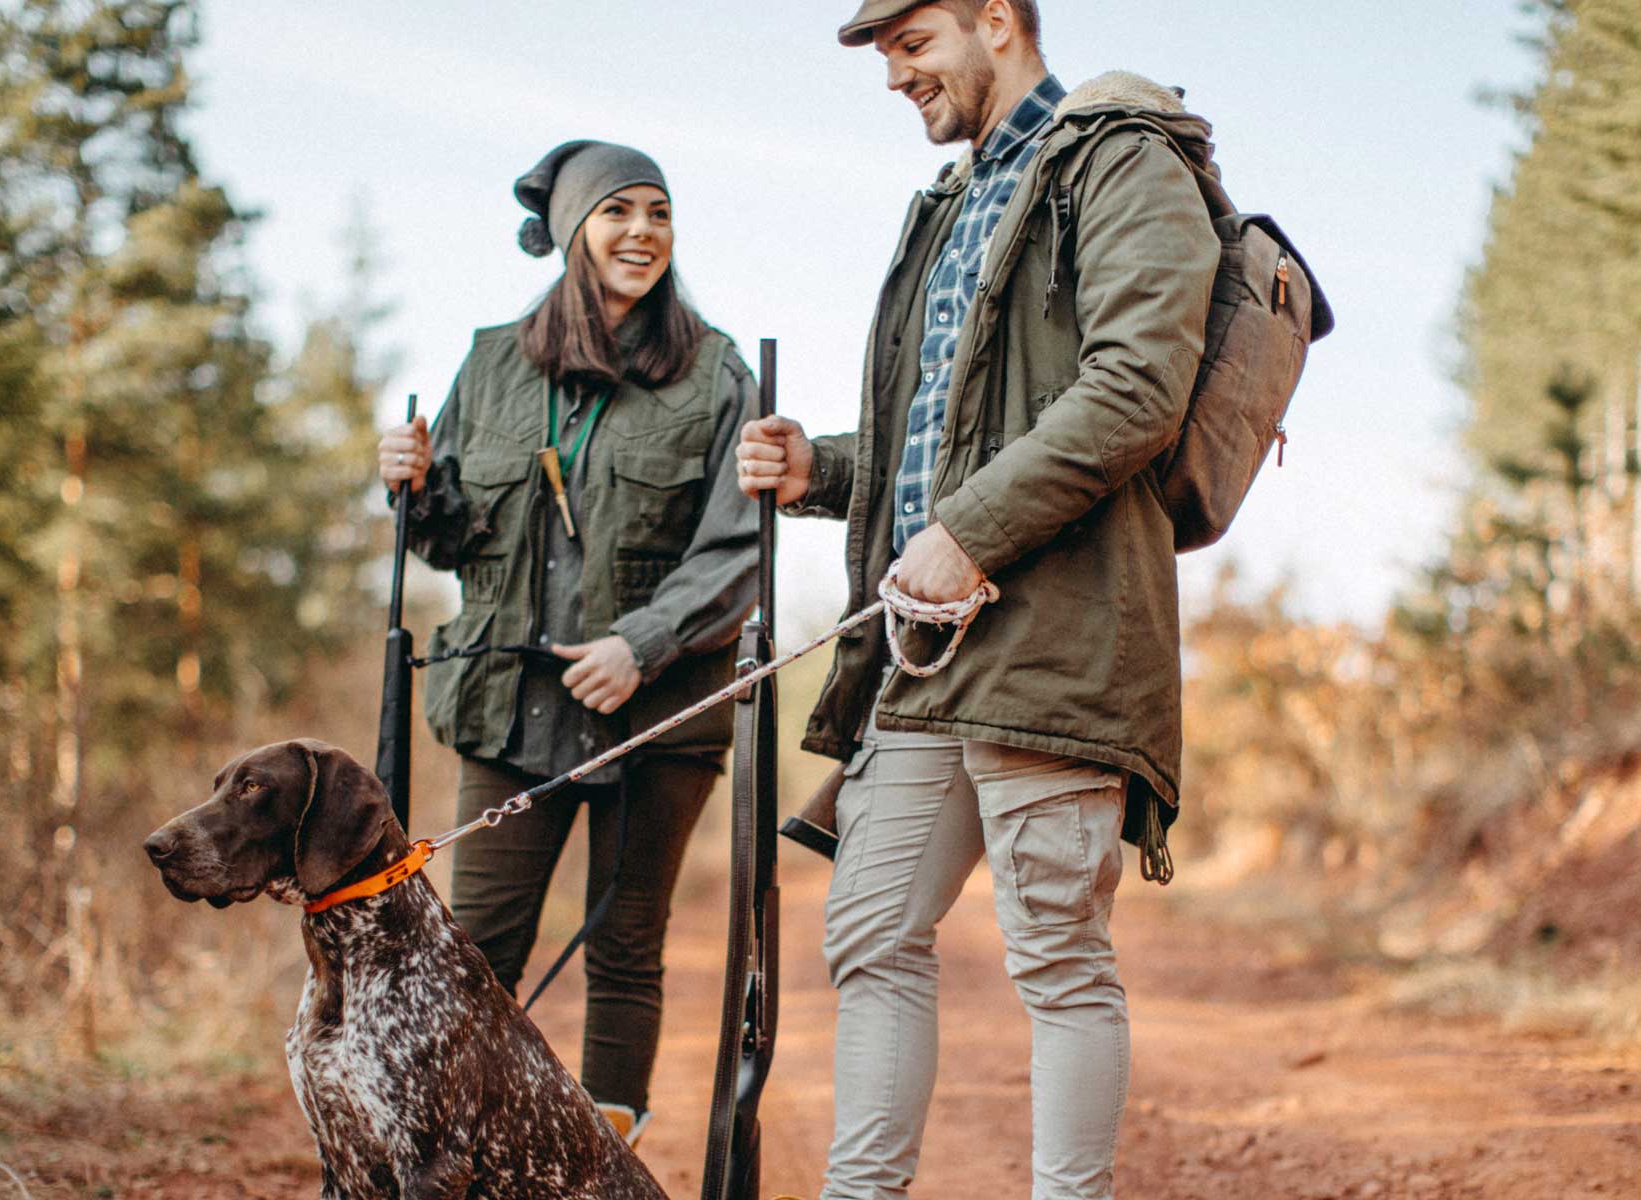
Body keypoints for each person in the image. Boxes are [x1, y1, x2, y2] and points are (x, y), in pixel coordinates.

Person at [733, 2, 1218, 1197]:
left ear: (997, 18)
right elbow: (937, 444)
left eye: (913, 44)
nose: (896, 75)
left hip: (1057, 638)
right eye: (886, 55)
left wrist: (969, 534)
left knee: (1056, 954)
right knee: (872, 932)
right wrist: (824, 472)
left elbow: (1138, 387)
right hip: (925, 660)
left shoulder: (1120, 155)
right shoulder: (956, 203)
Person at [376, 138, 766, 1147]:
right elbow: (456, 542)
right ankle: (454, 1148)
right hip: (507, 705)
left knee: (627, 946)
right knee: (475, 952)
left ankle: (597, 1159)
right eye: (618, 213)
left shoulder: (716, 370)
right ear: (570, 233)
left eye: (659, 214)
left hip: (659, 709)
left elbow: (737, 548)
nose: (642, 233)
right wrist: (414, 489)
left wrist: (642, 644)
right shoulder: (493, 364)